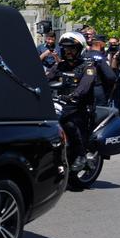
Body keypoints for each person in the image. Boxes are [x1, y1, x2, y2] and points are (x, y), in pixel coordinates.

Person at [47, 31, 95, 175]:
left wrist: (74, 95)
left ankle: (81, 155)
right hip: (61, 104)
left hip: (80, 106)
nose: (68, 51)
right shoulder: (60, 66)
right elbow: (46, 78)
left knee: (70, 123)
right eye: (66, 48)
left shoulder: (88, 66)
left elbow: (85, 86)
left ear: (80, 49)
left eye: (72, 48)